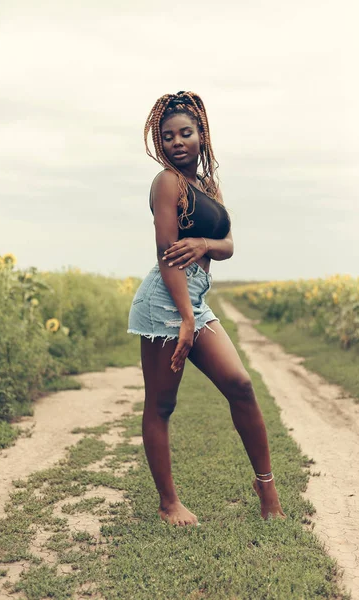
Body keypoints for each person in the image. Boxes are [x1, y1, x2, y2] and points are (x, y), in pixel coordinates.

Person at [128, 91, 285, 526]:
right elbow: (166, 252)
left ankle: (267, 489)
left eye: (185, 133)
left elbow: (229, 245)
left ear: (201, 136)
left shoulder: (206, 187)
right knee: (161, 405)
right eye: (168, 136)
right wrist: (184, 317)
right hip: (166, 301)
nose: (177, 142)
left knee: (240, 384)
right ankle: (168, 504)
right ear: (160, 143)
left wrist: (204, 243)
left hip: (195, 300)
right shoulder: (166, 183)